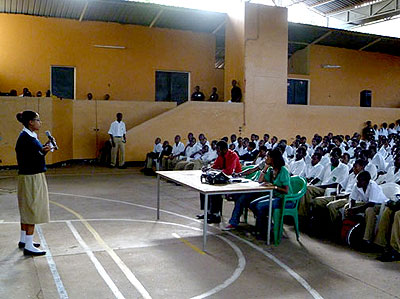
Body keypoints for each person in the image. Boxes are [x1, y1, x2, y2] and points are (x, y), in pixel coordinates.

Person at [15, 110, 52, 256]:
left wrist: (43, 149)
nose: (40, 122)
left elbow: (34, 153)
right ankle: (29, 246)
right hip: (31, 177)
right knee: (32, 208)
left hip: (28, 176)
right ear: (30, 122)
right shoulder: (26, 138)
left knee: (27, 208)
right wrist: (44, 152)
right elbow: (34, 158)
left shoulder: (28, 136)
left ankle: (24, 239)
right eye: (37, 120)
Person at [249, 148, 292, 239]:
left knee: (260, 206)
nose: (265, 158)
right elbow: (260, 180)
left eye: (267, 156)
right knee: (253, 204)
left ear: (273, 158)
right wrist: (265, 168)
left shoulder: (283, 170)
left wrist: (274, 187)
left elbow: (286, 190)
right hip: (275, 196)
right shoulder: (271, 170)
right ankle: (269, 227)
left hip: (285, 199)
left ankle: (263, 232)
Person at [198, 140, 241, 223]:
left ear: (224, 149)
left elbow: (229, 171)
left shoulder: (233, 156)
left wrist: (217, 171)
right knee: (204, 188)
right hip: (223, 178)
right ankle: (208, 212)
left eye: (218, 150)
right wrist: (208, 168)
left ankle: (216, 215)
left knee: (215, 190)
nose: (217, 152)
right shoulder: (221, 156)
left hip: (234, 180)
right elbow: (215, 165)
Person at [344, 171, 387, 249]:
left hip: (380, 205)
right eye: (358, 180)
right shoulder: (357, 185)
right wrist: (351, 208)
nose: (358, 182)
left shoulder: (373, 186)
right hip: (366, 203)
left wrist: (355, 210)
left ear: (367, 181)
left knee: (369, 211)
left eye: (361, 181)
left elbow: (371, 204)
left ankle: (367, 239)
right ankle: (346, 231)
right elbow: (352, 199)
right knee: (347, 207)